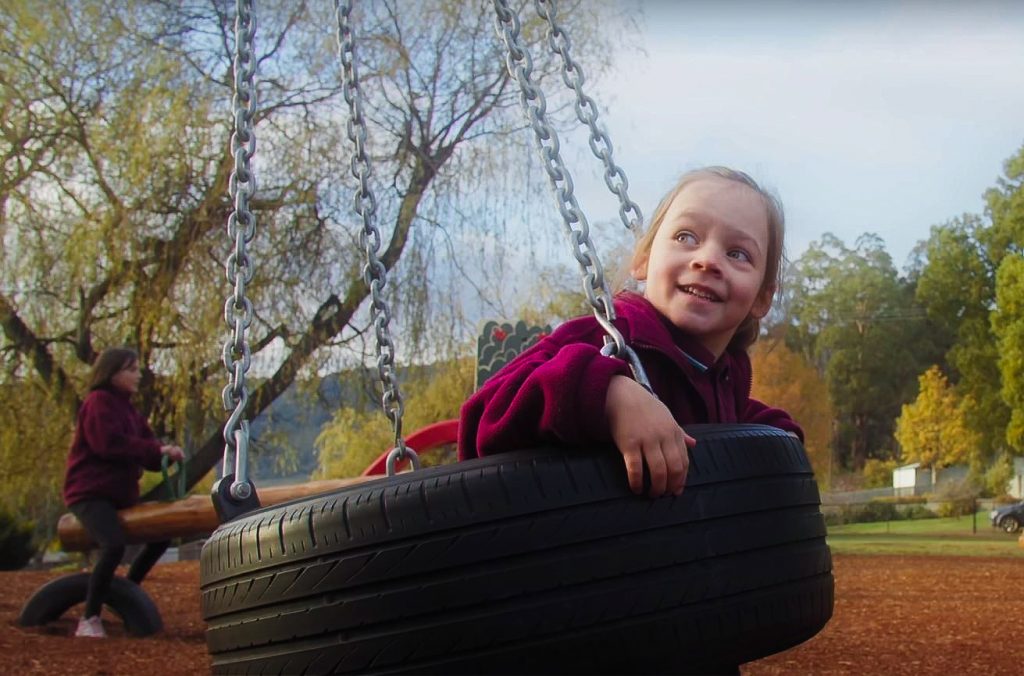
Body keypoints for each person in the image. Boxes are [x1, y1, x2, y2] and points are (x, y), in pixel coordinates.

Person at [459, 166, 804, 499]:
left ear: (761, 298)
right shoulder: (608, 339)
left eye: (737, 253)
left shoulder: (723, 379)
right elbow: (481, 420)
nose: (708, 260)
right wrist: (607, 395)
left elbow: (730, 421)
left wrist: (778, 438)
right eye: (687, 237)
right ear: (642, 260)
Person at [62, 347, 184, 638]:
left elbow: (146, 450)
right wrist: (154, 450)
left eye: (137, 369)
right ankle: (89, 619)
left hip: (117, 496)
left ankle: (125, 592)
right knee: (113, 545)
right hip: (89, 494)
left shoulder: (129, 410)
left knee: (161, 534)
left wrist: (165, 454)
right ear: (112, 373)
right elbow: (108, 444)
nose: (138, 374)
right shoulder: (97, 403)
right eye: (131, 369)